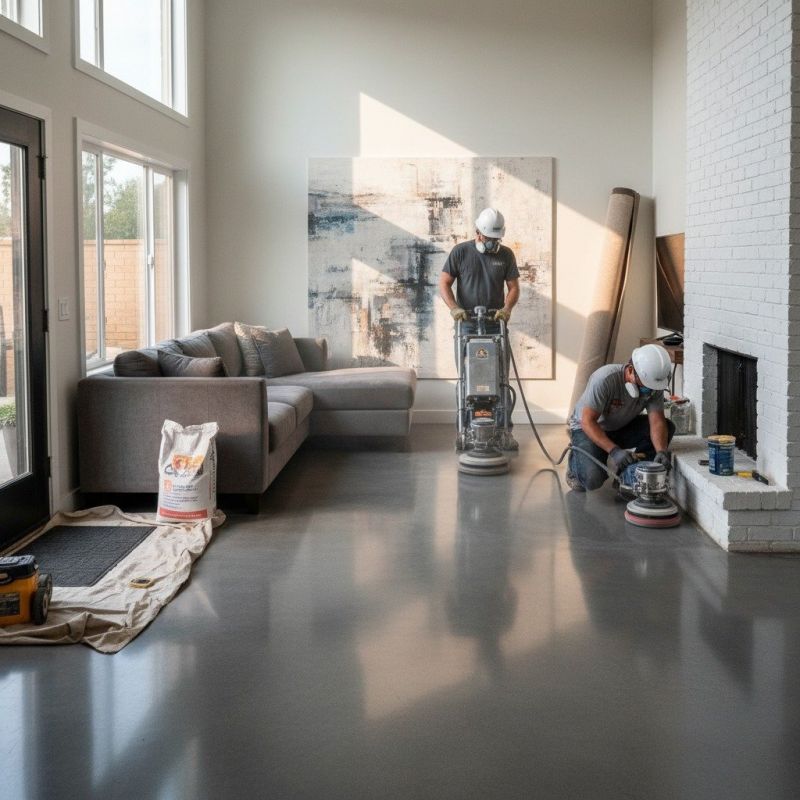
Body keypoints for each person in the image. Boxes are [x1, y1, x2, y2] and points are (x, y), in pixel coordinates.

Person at [439, 208, 521, 448]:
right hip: (466, 326)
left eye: (497, 239)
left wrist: (506, 310)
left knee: (501, 380)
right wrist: (454, 308)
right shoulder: (461, 252)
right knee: (466, 378)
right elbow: (444, 282)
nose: (493, 243)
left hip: (496, 326)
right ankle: (464, 432)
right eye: (489, 239)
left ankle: (505, 432)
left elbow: (513, 287)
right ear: (478, 233)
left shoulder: (505, 255)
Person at [566, 343, 676, 491]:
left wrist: (661, 451)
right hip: (588, 428)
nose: (648, 392)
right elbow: (587, 421)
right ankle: (575, 465)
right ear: (631, 371)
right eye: (644, 387)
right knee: (592, 479)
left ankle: (628, 477)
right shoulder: (605, 379)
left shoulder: (653, 386)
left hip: (621, 425)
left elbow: (656, 422)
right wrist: (614, 451)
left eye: (651, 388)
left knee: (667, 427)